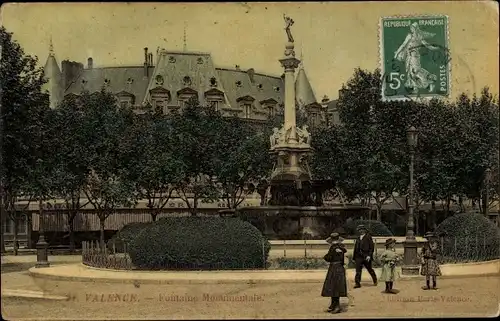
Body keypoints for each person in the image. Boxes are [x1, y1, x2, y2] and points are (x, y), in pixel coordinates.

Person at [321, 232, 348, 314]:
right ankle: (334, 305)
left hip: (334, 267)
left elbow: (328, 257)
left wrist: (326, 256)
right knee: (336, 286)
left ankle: (336, 306)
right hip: (339, 267)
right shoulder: (341, 247)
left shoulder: (333, 247)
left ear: (332, 240)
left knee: (334, 287)